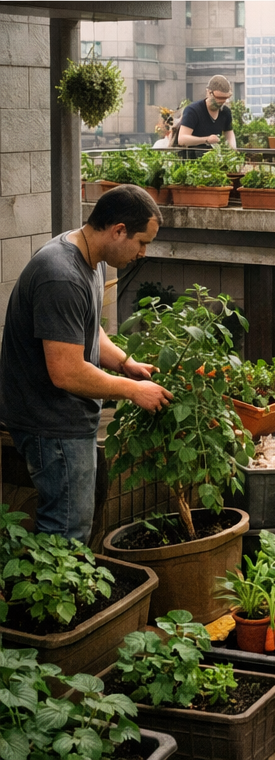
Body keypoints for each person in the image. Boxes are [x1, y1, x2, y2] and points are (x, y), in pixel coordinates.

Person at [0, 186, 172, 540]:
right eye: (142, 242)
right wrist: (134, 391)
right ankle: (53, 595)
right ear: (118, 230)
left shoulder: (87, 257)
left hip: (63, 417)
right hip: (50, 422)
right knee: (66, 529)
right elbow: (66, 371)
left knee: (73, 521)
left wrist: (125, 363)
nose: (142, 253)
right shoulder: (61, 274)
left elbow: (85, 333)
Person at [177, 77, 236, 151]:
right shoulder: (193, 110)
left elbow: (229, 134)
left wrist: (233, 150)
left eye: (225, 98)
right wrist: (206, 139)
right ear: (209, 92)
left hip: (215, 158)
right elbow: (182, 139)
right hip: (192, 158)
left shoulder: (225, 112)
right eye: (219, 97)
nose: (222, 101)